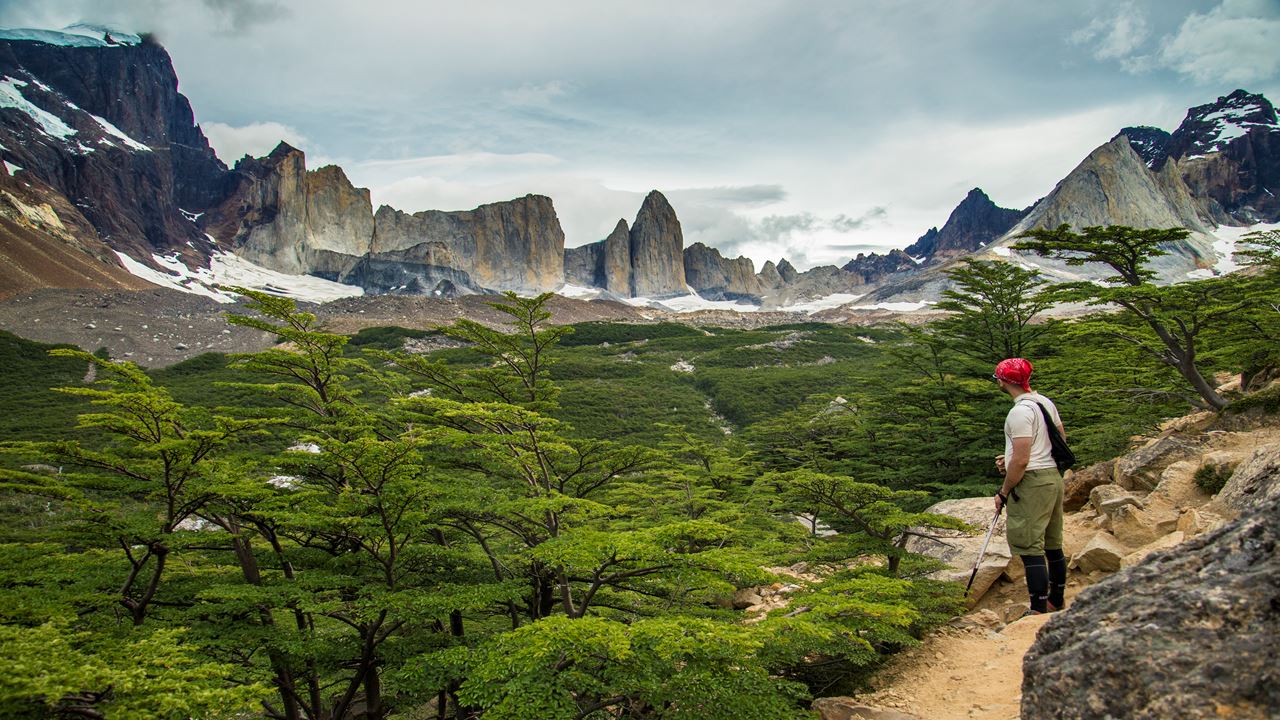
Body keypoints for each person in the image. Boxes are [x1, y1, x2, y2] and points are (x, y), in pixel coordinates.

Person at [992, 358, 1067, 615]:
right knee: (1053, 543)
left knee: (1030, 546)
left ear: (1002, 381)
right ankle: (1056, 600)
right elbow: (1060, 438)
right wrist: (1011, 458)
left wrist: (1004, 490)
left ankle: (1036, 609)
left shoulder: (1019, 412)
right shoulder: (1044, 402)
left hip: (1033, 482)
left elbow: (1023, 459)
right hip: (1053, 476)